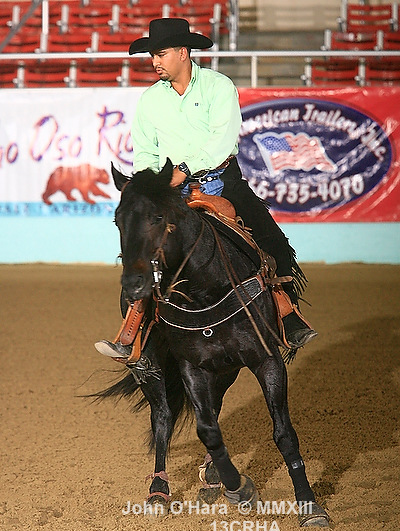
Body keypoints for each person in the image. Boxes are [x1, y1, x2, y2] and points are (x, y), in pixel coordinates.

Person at [95, 18, 317, 360]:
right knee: (143, 249)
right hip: (170, 191)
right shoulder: (150, 100)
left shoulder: (218, 86)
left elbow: (222, 139)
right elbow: (145, 152)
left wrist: (184, 170)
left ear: (183, 53)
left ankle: (287, 315)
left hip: (223, 182)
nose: (154, 62)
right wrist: (150, 183)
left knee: (273, 242)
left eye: (161, 54)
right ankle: (133, 329)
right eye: (152, 55)